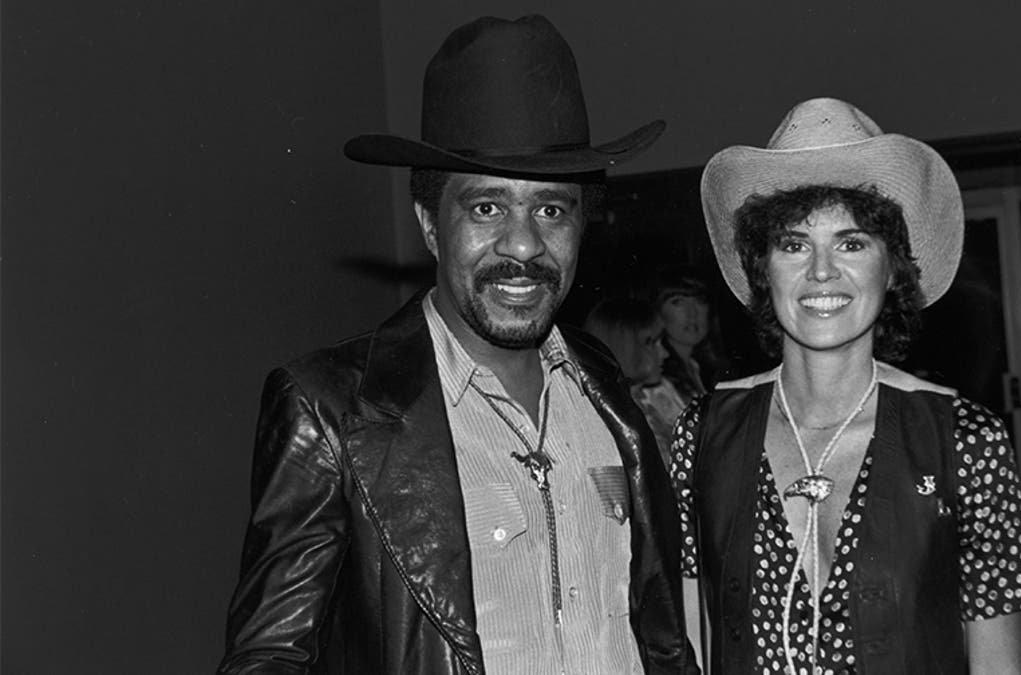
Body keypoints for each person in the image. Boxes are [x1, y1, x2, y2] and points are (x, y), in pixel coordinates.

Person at [217, 15, 696, 675]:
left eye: (551, 210)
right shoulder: (334, 410)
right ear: (430, 226)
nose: (524, 246)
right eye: (487, 209)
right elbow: (269, 657)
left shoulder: (605, 387)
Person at [671, 97, 1021, 674]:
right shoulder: (704, 433)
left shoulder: (966, 442)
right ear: (761, 268)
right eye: (793, 244)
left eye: (851, 242)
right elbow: (687, 645)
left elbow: (999, 667)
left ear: (892, 267)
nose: (821, 271)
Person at [583, 297, 686, 467]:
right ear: (623, 346)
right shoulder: (604, 413)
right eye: (651, 342)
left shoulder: (652, 399)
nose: (665, 354)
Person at [652, 268, 722, 405]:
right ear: (658, 311)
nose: (692, 313)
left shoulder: (702, 368)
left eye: (700, 301)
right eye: (677, 302)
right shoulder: (655, 378)